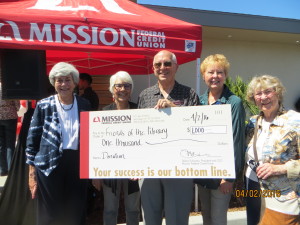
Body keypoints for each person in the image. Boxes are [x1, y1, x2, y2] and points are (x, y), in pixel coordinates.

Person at [137, 50, 200, 225]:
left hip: (179, 167)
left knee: (177, 218)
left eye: (167, 64)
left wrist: (174, 108)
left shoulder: (189, 94)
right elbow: (139, 132)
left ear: (176, 67)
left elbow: (197, 128)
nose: (162, 68)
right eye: (158, 65)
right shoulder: (145, 95)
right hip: (150, 167)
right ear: (153, 68)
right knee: (150, 217)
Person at [25, 62, 91, 225]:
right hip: (49, 163)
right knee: (50, 214)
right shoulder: (43, 105)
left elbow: (92, 137)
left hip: (77, 163)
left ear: (75, 82)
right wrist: (32, 175)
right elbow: (32, 141)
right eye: (59, 80)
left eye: (67, 80)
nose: (63, 84)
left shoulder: (85, 105)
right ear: (53, 83)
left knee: (75, 211)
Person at [194, 54, 245, 225]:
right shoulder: (198, 102)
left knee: (218, 219)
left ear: (225, 75)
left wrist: (229, 177)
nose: (215, 76)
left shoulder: (234, 102)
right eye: (210, 72)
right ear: (203, 75)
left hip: (222, 174)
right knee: (206, 217)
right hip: (202, 172)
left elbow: (237, 141)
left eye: (220, 72)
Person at [245, 75, 300, 225]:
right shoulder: (253, 123)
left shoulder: (295, 121)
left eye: (268, 92)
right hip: (254, 190)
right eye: (258, 94)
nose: (263, 97)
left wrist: (279, 169)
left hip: (284, 197)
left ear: (278, 93)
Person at [101, 71, 140, 225]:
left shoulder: (139, 111)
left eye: (127, 86)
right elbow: (100, 143)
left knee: (133, 209)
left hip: (134, 169)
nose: (123, 89)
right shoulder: (104, 112)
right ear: (112, 89)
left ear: (131, 89)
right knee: (110, 209)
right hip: (111, 168)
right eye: (119, 86)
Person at [0, 80, 20, 176]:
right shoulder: (9, 87)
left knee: (1, 144)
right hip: (10, 115)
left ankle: (2, 169)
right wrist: (16, 108)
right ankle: (11, 169)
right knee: (10, 143)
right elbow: (17, 104)